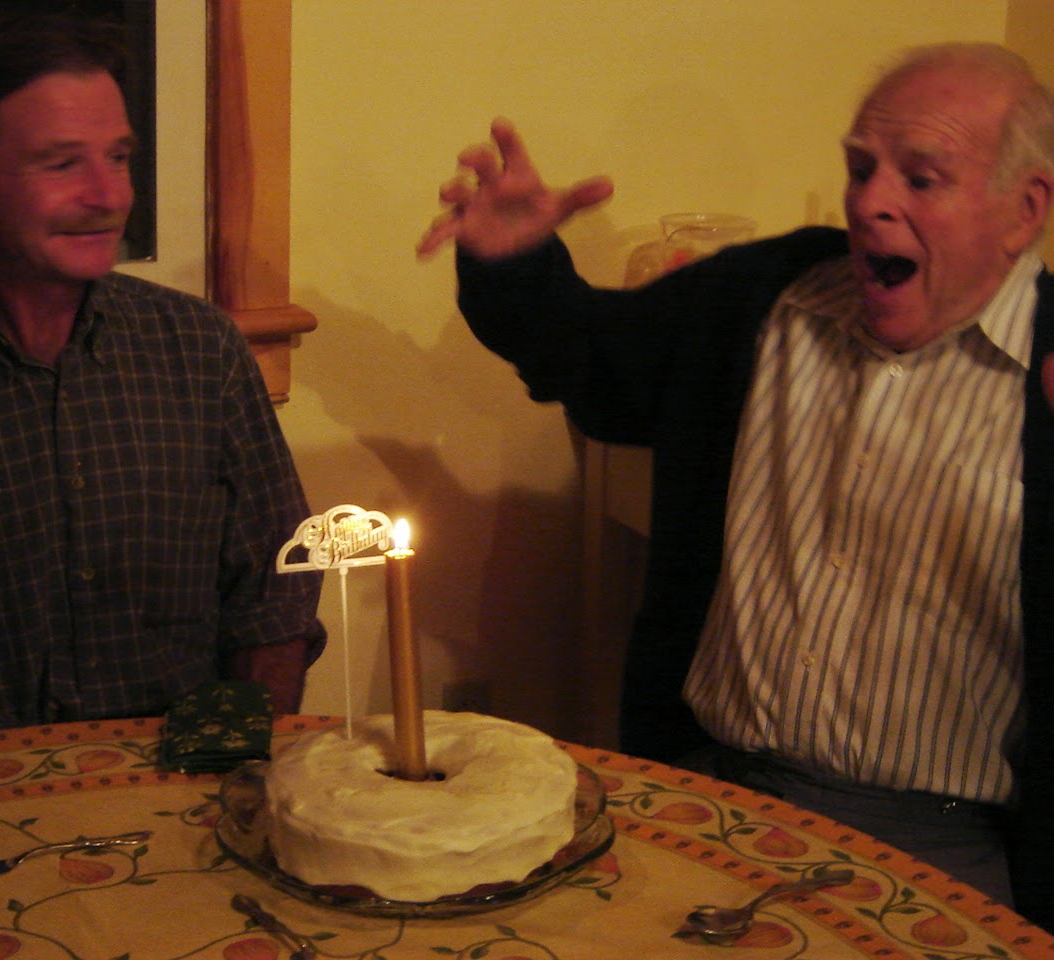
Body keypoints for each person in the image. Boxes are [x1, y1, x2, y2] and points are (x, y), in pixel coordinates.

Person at [420, 43, 1054, 927]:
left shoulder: (1044, 379)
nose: (870, 201)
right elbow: (593, 360)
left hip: (941, 840)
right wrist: (515, 262)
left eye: (922, 178)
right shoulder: (772, 297)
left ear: (1023, 213)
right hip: (710, 792)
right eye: (861, 169)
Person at [0, 12, 325, 749]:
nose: (108, 195)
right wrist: (57, 785)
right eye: (61, 164)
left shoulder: (201, 350)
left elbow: (278, 589)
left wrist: (235, 753)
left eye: (118, 157)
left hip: (202, 778)